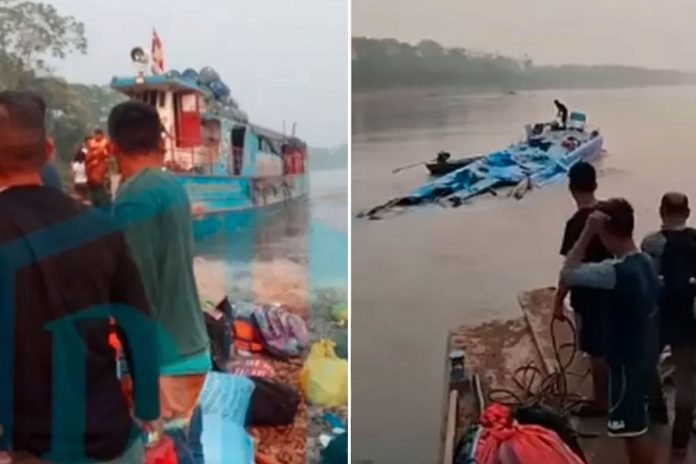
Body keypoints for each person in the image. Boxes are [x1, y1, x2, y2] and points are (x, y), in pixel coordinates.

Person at [0, 91, 160, 463]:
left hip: (31, 446)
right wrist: (148, 411)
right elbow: (138, 324)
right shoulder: (98, 226)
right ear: (49, 150)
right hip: (111, 440)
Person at [109, 101, 210, 464]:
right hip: (192, 350)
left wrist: (141, 382)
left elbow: (137, 298)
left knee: (166, 452)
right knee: (189, 448)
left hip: (164, 364)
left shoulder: (133, 199)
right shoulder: (172, 186)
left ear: (113, 147)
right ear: (161, 144)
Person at [560, 198, 662, 464]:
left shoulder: (614, 272)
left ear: (605, 230)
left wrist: (587, 232)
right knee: (640, 425)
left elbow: (569, 271)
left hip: (625, 362)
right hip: (646, 354)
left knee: (633, 431)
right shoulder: (646, 261)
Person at [641, 192, 696, 457]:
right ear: (687, 213)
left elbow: (647, 283)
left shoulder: (652, 243)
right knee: (686, 384)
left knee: (647, 362)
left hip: (659, 316)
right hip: (689, 318)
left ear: (662, 212)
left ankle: (657, 408)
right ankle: (679, 444)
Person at [554, 162, 611, 416]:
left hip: (587, 297)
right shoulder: (611, 216)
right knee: (614, 346)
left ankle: (601, 402)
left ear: (570, 189)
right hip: (615, 291)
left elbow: (569, 270)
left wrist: (558, 303)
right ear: (595, 185)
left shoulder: (575, 224)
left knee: (595, 351)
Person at [86, 128, 112, 210]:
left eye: (98, 134)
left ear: (102, 135)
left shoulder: (106, 143)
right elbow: (87, 157)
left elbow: (109, 153)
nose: (96, 136)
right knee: (94, 189)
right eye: (95, 134)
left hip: (101, 167)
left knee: (101, 186)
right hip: (92, 169)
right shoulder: (91, 144)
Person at [72, 137, 90, 202]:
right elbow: (88, 173)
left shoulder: (74, 164)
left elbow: (73, 175)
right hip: (85, 182)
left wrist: (73, 183)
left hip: (77, 182)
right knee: (86, 199)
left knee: (79, 199)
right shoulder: (85, 164)